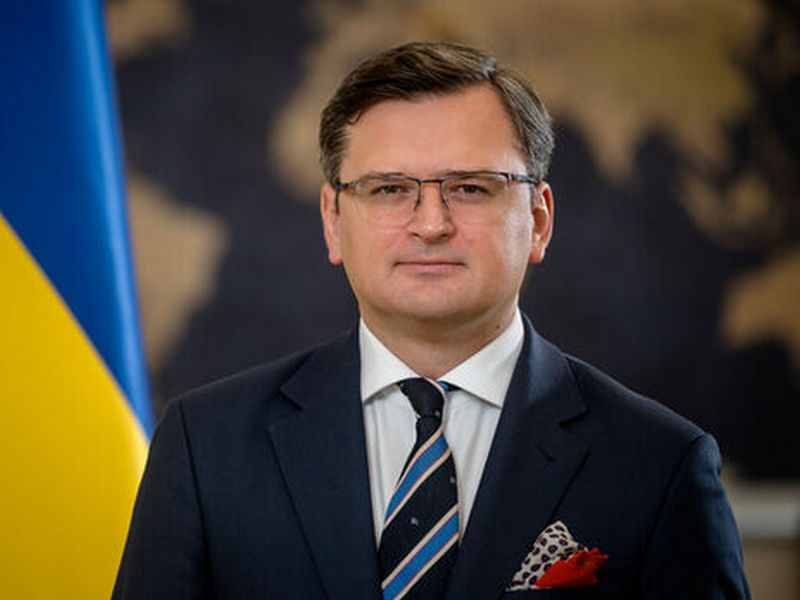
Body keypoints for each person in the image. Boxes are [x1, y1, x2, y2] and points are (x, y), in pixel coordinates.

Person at [113, 41, 750, 599]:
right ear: (333, 221)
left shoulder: (660, 465)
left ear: (538, 220)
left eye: (470, 187)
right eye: (390, 188)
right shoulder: (207, 447)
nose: (431, 224)